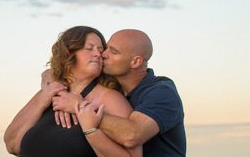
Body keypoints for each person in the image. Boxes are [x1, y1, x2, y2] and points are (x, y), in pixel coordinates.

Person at [4, 26, 141, 157]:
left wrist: (90, 128)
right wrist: (42, 100)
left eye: (100, 50)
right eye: (89, 48)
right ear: (69, 53)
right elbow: (12, 145)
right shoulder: (49, 91)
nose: (98, 54)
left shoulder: (111, 98)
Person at [54, 29, 186, 156]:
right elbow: (58, 71)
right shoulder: (116, 87)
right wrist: (50, 78)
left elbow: (132, 135)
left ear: (135, 62)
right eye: (106, 48)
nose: (103, 54)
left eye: (114, 52)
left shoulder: (161, 92)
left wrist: (79, 107)